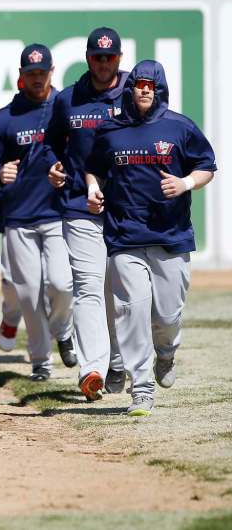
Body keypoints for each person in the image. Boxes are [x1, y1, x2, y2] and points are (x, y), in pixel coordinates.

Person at [85, 60, 215, 417]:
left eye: (151, 85)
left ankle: (167, 352)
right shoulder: (110, 130)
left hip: (170, 236)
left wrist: (185, 183)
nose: (144, 89)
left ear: (160, 90)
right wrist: (94, 188)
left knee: (167, 315)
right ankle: (140, 390)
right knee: (131, 312)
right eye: (139, 84)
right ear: (130, 88)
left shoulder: (180, 127)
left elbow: (207, 166)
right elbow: (94, 166)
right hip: (125, 236)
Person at [45, 27, 130, 400]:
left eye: (109, 56)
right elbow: (50, 143)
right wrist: (54, 165)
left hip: (127, 208)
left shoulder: (134, 95)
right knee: (88, 288)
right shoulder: (68, 99)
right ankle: (91, 368)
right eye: (97, 56)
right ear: (87, 58)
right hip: (80, 205)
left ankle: (118, 360)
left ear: (119, 58)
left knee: (122, 292)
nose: (103, 62)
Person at [0, 44, 75, 381]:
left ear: (52, 72)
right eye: (31, 73)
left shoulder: (65, 109)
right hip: (19, 216)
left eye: (43, 72)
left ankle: (63, 329)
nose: (37, 79)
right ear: (21, 76)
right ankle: (41, 359)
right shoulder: (5, 117)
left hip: (58, 211)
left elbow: (83, 150)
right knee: (27, 292)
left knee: (63, 284)